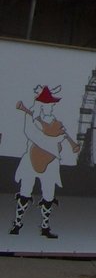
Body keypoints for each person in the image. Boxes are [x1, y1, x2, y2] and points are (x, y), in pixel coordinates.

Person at [9, 85, 79, 239]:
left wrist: (64, 140)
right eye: (50, 104)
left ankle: (45, 227)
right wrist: (55, 138)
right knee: (25, 192)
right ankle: (17, 223)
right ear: (42, 104)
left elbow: (58, 140)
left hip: (51, 162)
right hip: (31, 158)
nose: (53, 107)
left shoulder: (55, 122)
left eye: (53, 104)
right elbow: (32, 135)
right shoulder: (32, 118)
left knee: (48, 195)